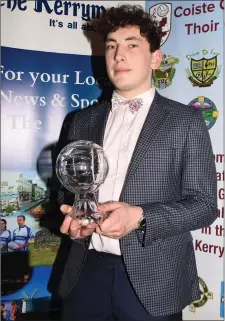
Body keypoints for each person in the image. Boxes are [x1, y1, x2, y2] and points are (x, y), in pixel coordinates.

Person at [57, 5, 217, 321]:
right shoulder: (81, 121)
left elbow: (204, 205)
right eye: (112, 46)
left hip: (155, 279)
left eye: (132, 45)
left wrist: (140, 217)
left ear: (155, 59)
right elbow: (69, 192)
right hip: (86, 272)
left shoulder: (185, 121)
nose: (119, 55)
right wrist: (75, 220)